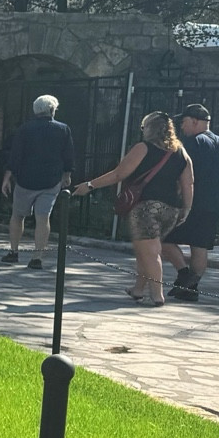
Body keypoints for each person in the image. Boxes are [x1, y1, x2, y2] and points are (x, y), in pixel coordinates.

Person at [70, 111, 193, 306]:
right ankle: (138, 289)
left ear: (148, 129)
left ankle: (157, 295)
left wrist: (90, 185)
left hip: (146, 207)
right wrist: (187, 208)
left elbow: (119, 174)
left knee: (150, 252)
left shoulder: (143, 148)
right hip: (171, 210)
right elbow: (188, 183)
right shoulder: (181, 153)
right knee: (144, 249)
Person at [161, 103, 219, 302]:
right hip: (212, 204)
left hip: (190, 202)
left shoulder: (193, 143)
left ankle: (184, 275)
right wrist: (216, 195)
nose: (181, 127)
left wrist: (176, 196)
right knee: (199, 246)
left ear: (194, 121)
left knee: (163, 237)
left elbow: (183, 174)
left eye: (183, 122)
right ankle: (191, 288)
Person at [0, 95, 74, 270]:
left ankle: (14, 252)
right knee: (43, 218)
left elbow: (15, 155)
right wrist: (67, 174)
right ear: (52, 110)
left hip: (25, 179)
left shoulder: (25, 129)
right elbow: (68, 154)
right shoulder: (63, 129)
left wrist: (7, 177)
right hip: (51, 179)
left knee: (18, 216)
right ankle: (37, 257)